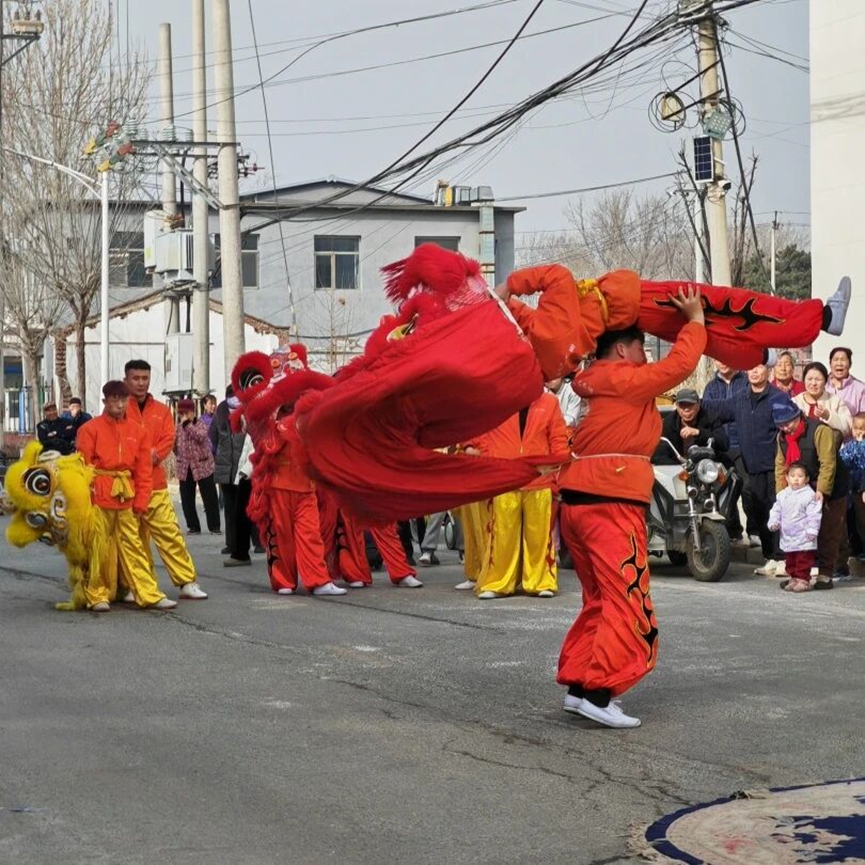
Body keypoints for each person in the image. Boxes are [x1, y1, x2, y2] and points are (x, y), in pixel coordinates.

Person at [556, 286, 706, 729]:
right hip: (611, 500)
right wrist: (696, 322)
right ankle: (600, 692)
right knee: (627, 599)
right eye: (641, 348)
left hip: (579, 499)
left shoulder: (592, 382)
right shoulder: (623, 379)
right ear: (622, 350)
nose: (645, 357)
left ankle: (581, 686)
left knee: (601, 599)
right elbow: (679, 365)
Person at [75, 381, 176, 612]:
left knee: (135, 546)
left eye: (123, 400)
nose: (119, 405)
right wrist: (86, 500)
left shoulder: (138, 432)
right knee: (97, 547)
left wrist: (142, 500)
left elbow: (143, 471)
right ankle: (96, 594)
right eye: (114, 400)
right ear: (105, 401)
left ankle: (148, 593)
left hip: (126, 497)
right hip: (99, 497)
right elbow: (82, 468)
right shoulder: (89, 429)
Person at [123, 360, 208, 601]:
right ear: (126, 380)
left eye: (145, 378)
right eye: (136, 378)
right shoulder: (119, 408)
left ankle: (186, 581)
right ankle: (136, 585)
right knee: (133, 540)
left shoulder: (161, 411)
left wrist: (152, 456)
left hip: (155, 484)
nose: (141, 383)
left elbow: (168, 439)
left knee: (170, 534)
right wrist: (138, 457)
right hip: (127, 485)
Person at [474, 392, 569, 600]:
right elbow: (480, 433)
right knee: (502, 535)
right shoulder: (497, 400)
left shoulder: (549, 402)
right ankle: (498, 582)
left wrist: (557, 467)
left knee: (540, 535)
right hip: (505, 479)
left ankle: (541, 581)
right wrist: (489, 458)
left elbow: (558, 438)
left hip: (540, 478)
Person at [703, 364, 788, 577]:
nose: (754, 372)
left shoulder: (777, 397)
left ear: (768, 371)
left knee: (777, 510)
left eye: (759, 368)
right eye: (751, 368)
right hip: (752, 465)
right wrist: (692, 404)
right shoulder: (741, 398)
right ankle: (770, 556)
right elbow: (718, 409)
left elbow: (789, 426)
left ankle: (783, 557)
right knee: (760, 509)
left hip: (775, 465)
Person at [773, 398, 848, 590]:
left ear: (798, 416)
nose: (785, 427)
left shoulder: (819, 430)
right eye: (781, 424)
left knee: (828, 530)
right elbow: (781, 467)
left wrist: (822, 490)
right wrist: (782, 495)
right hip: (801, 488)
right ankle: (798, 574)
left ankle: (826, 573)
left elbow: (828, 463)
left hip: (829, 485)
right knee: (800, 532)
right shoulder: (782, 437)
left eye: (788, 422)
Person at [702, 361, 749, 544]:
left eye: (725, 358)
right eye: (717, 359)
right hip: (721, 446)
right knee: (724, 490)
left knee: (747, 488)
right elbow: (708, 411)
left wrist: (721, 407)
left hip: (743, 444)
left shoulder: (745, 382)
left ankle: (754, 531)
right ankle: (733, 530)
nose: (722, 362)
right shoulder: (711, 387)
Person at [767, 462, 823, 593]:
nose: (796, 479)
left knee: (803, 560)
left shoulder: (809, 495)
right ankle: (793, 578)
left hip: (804, 536)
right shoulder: (783, 495)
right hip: (788, 536)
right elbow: (776, 510)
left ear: (807, 479)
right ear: (787, 478)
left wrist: (812, 530)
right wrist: (774, 521)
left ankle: (803, 580)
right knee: (790, 559)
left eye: (800, 476)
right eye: (792, 476)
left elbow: (814, 514)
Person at [175, 398, 220, 535]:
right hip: (185, 467)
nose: (183, 416)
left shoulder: (201, 424)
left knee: (210, 497)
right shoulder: (178, 427)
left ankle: (214, 526)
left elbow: (200, 437)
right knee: (187, 498)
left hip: (202, 465)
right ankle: (193, 526)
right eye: (181, 413)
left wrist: (188, 425)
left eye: (186, 413)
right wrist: (180, 456)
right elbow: (174, 445)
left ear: (192, 412)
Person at [652, 388, 728, 465]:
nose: (686, 409)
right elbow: (659, 454)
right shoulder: (669, 423)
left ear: (698, 405)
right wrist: (680, 468)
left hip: (707, 466)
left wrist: (699, 433)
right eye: (682, 405)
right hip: (678, 467)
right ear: (676, 406)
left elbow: (724, 444)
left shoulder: (710, 418)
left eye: (690, 405)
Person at [792, 361, 853, 439]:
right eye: (809, 379)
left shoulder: (836, 401)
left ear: (825, 381)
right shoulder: (795, 402)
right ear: (804, 380)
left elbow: (847, 428)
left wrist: (828, 416)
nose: (813, 383)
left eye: (818, 379)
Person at [840, 413, 865, 566]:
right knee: (856, 520)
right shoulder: (850, 445)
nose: (859, 432)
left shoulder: (860, 446)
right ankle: (858, 547)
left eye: (862, 428)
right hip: (853, 488)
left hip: (862, 488)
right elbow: (844, 459)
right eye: (856, 428)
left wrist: (861, 444)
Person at [826, 346, 865, 416]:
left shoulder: (861, 388)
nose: (839, 363)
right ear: (830, 363)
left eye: (843, 360)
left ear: (850, 364)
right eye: (836, 359)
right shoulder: (822, 385)